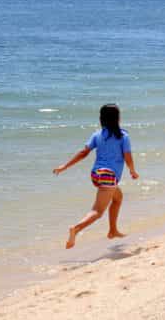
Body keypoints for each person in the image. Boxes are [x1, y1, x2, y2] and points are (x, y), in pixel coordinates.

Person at [52, 103, 139, 249]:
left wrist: (64, 166)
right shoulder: (123, 136)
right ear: (118, 118)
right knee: (97, 211)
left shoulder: (97, 135)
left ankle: (112, 230)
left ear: (101, 118)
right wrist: (132, 171)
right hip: (109, 177)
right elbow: (128, 157)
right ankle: (76, 228)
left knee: (117, 197)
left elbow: (83, 153)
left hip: (96, 175)